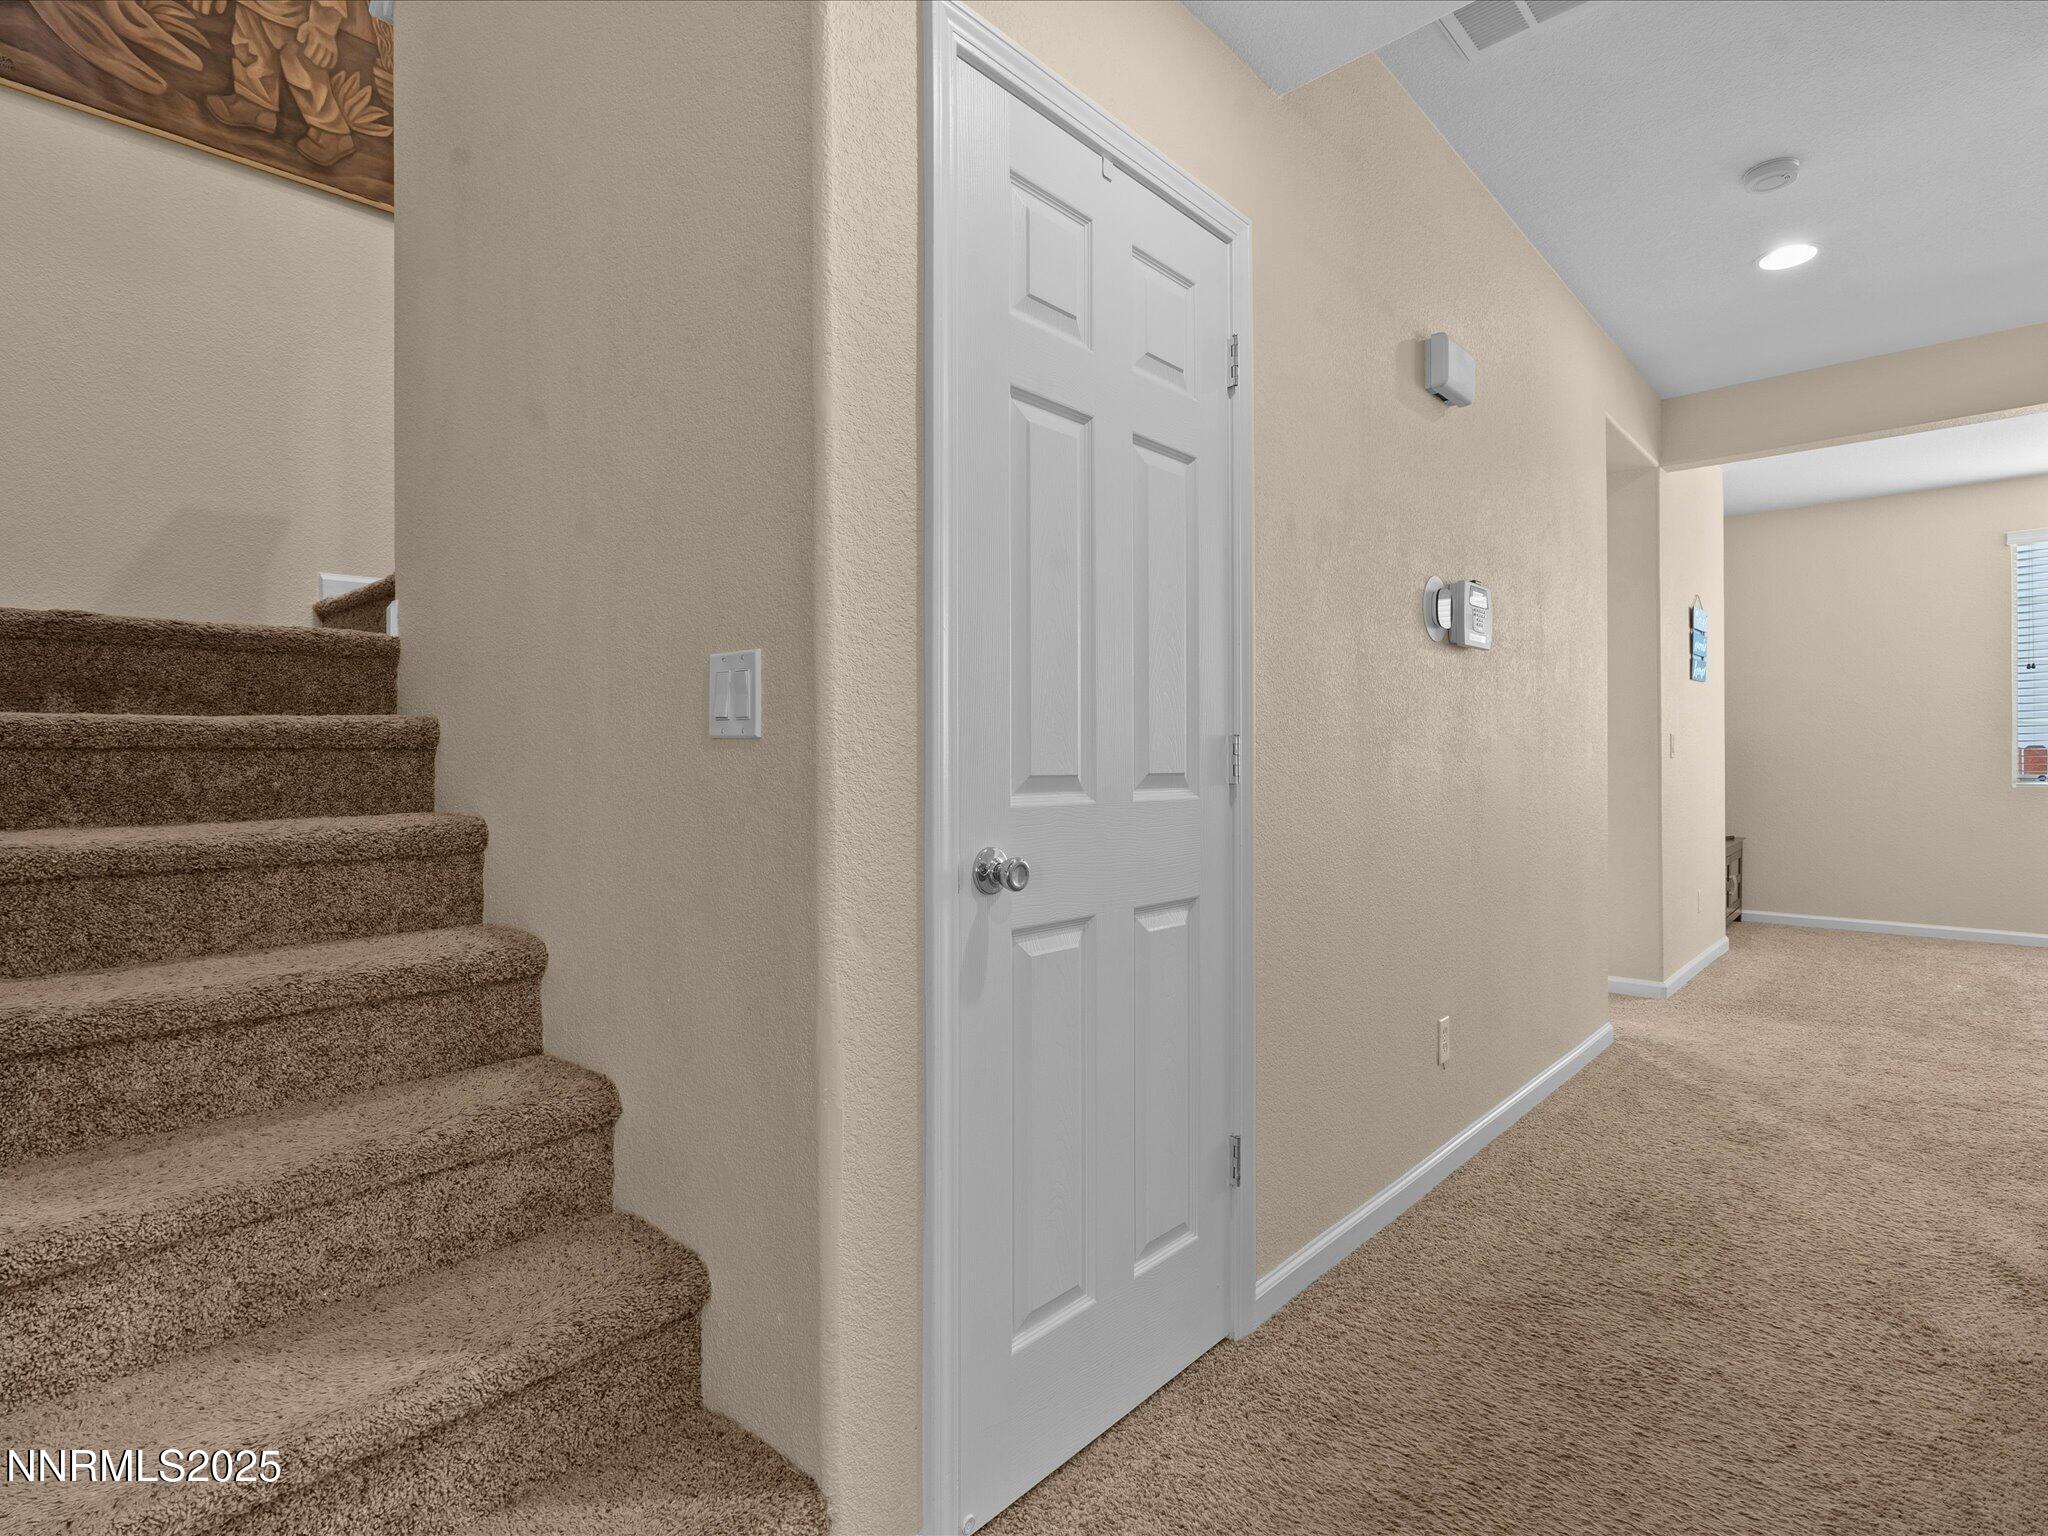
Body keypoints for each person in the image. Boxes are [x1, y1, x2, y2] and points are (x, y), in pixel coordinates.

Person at [200, 0, 355, 168]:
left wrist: (323, 27)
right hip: (253, 6)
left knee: (302, 74)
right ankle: (255, 103)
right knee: (250, 50)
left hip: (296, 20)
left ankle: (331, 132)